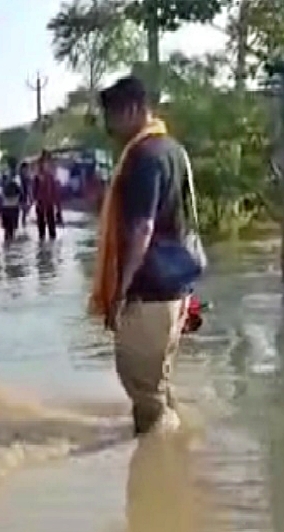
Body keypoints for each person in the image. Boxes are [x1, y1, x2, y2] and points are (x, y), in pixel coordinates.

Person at [89, 75, 190, 436]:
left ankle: (158, 467)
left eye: (111, 116)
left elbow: (142, 229)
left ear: (131, 110)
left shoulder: (144, 157)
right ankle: (177, 456)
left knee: (144, 393)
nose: (109, 127)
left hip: (149, 291)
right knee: (156, 386)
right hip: (175, 289)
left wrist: (120, 289)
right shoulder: (173, 149)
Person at [32, 151, 60, 241]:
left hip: (49, 204)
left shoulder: (51, 177)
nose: (47, 164)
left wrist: (58, 208)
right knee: (41, 230)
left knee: (52, 228)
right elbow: (34, 192)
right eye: (45, 162)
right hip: (41, 204)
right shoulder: (37, 177)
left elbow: (55, 192)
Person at [19, 161, 33, 227]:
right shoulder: (20, 176)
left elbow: (29, 185)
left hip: (24, 193)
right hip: (22, 193)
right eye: (26, 168)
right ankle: (23, 220)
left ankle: (23, 220)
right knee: (24, 206)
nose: (26, 170)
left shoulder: (27, 176)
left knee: (26, 206)